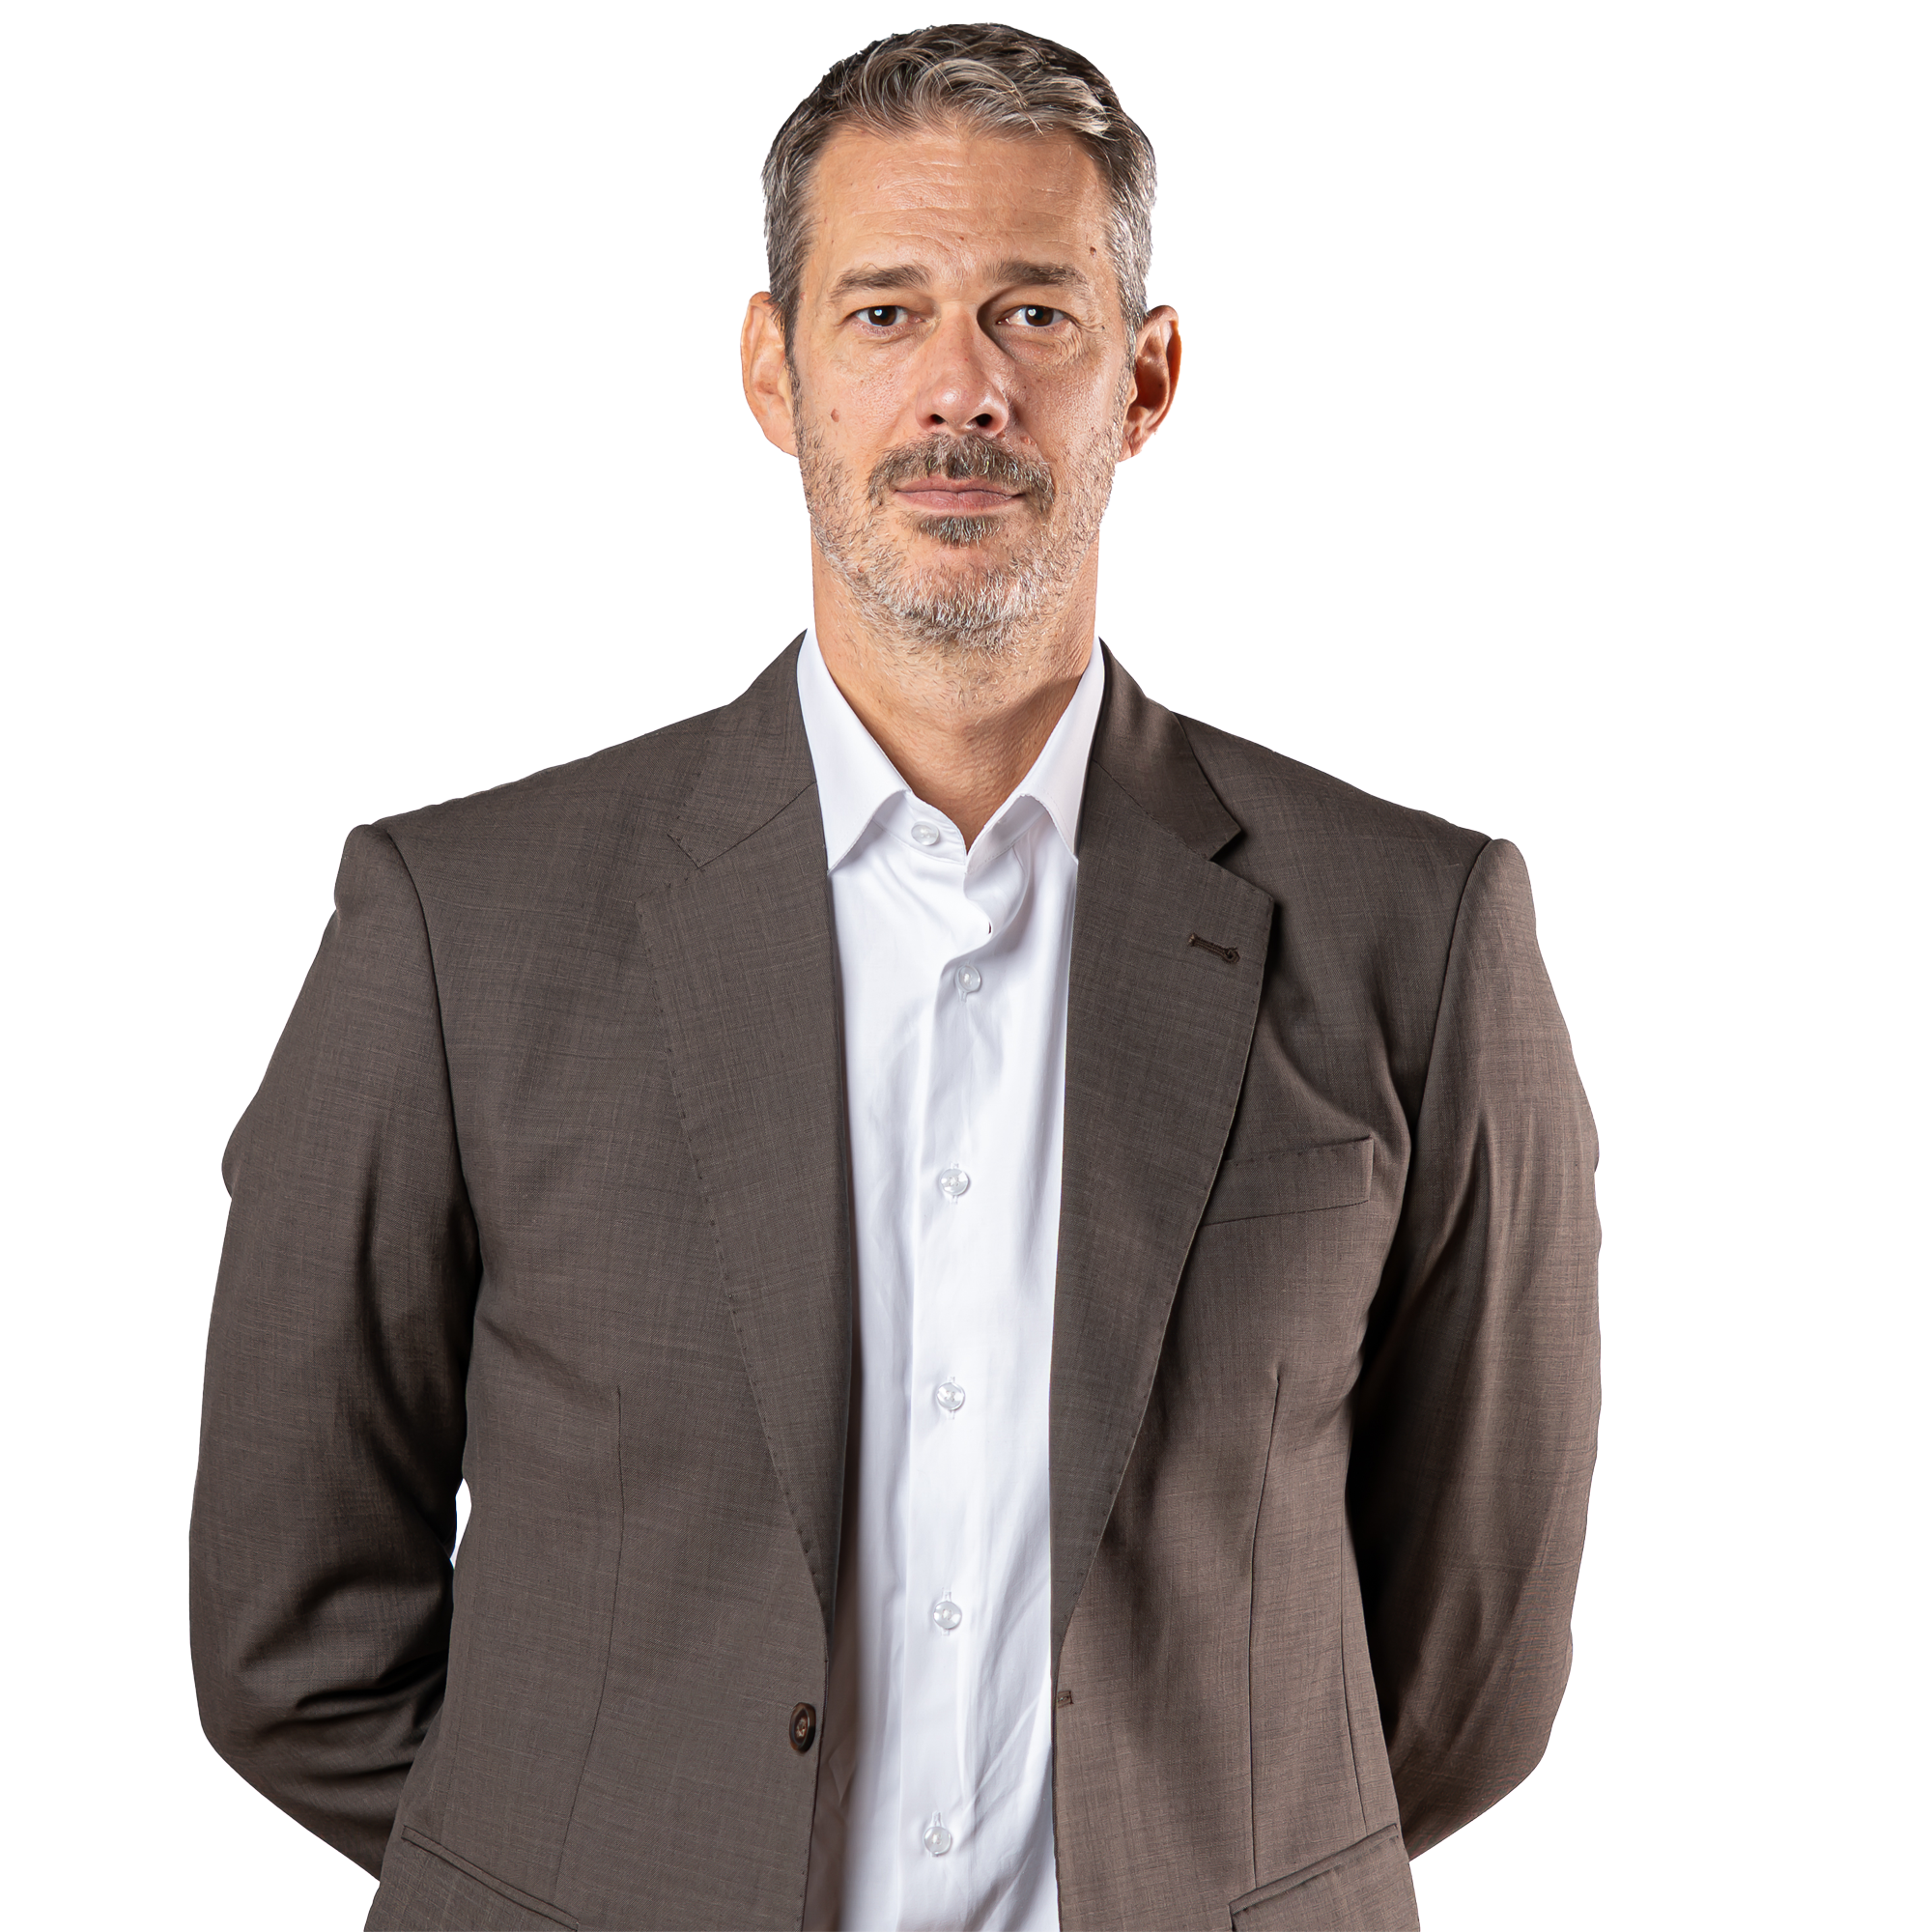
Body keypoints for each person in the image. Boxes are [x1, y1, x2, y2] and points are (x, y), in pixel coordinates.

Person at [191, 23, 1599, 1932]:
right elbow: (290, 1636)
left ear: (1143, 378)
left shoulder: (1418, 936)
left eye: (1035, 313)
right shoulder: (462, 928)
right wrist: (600, 1869)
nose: (963, 389)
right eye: (883, 312)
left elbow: (1465, 1671)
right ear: (774, 372)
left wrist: (1198, 1869)